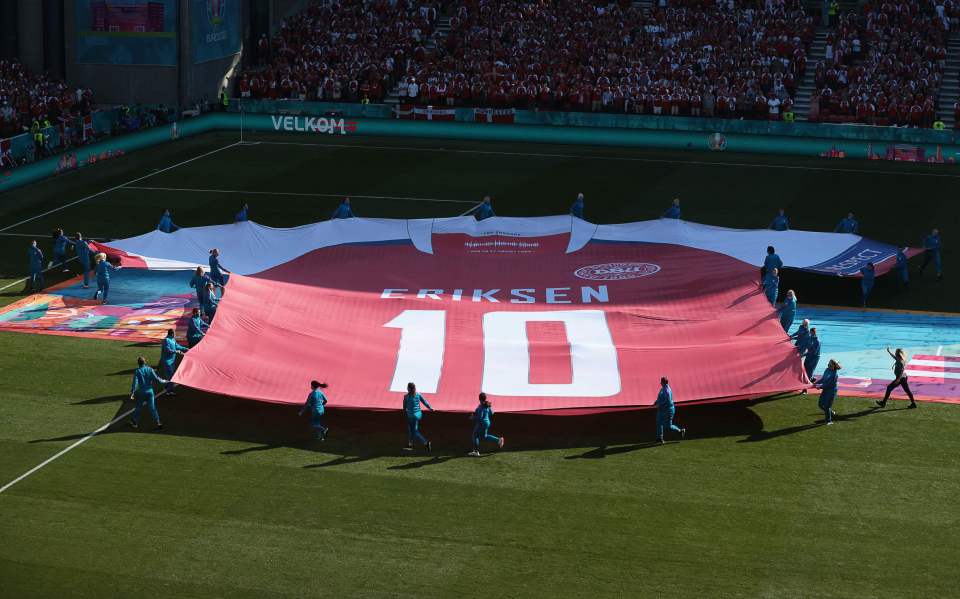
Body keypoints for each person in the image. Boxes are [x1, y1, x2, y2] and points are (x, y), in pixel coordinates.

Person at [128, 356, 168, 430]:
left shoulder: (137, 371)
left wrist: (132, 392)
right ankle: (158, 422)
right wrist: (164, 381)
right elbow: (157, 378)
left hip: (142, 392)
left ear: (138, 363)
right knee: (152, 408)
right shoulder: (150, 369)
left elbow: (135, 383)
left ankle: (135, 422)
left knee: (138, 407)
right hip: (150, 391)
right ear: (145, 362)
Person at [468, 392, 504, 456]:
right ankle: (499, 440)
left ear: (479, 399)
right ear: (485, 398)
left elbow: (480, 417)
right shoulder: (487, 405)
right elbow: (492, 412)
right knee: (484, 436)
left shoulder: (481, 407)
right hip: (487, 423)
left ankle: (476, 452)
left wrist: (473, 417)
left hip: (482, 423)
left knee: (475, 435)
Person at [402, 382, 433, 451]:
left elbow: (404, 407)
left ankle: (426, 443)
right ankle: (410, 444)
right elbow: (425, 402)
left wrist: (405, 411)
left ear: (408, 388)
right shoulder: (418, 394)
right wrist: (430, 408)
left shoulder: (406, 396)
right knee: (411, 429)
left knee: (414, 431)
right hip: (418, 414)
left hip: (411, 416)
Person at [654, 377, 685, 443]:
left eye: (661, 382)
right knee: (658, 423)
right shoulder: (663, 388)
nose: (660, 383)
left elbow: (667, 401)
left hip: (668, 410)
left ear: (663, 382)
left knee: (668, 426)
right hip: (661, 410)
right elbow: (660, 397)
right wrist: (656, 402)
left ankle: (680, 431)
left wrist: (660, 405)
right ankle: (659, 438)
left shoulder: (667, 391)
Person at [159, 329, 187, 395]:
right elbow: (167, 350)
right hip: (167, 361)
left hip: (172, 361)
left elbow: (177, 346)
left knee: (171, 375)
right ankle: (169, 391)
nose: (175, 335)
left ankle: (167, 386)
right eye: (174, 333)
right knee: (171, 375)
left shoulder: (173, 339)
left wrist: (185, 349)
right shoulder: (166, 340)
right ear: (172, 334)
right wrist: (176, 351)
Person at [815, 360, 841, 425]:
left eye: (830, 364)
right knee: (820, 405)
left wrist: (820, 386)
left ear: (833, 366)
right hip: (825, 390)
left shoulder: (834, 375)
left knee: (827, 406)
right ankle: (831, 413)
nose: (828, 365)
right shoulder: (827, 370)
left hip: (831, 392)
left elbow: (829, 384)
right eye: (828, 364)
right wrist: (815, 383)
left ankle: (829, 421)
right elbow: (823, 379)